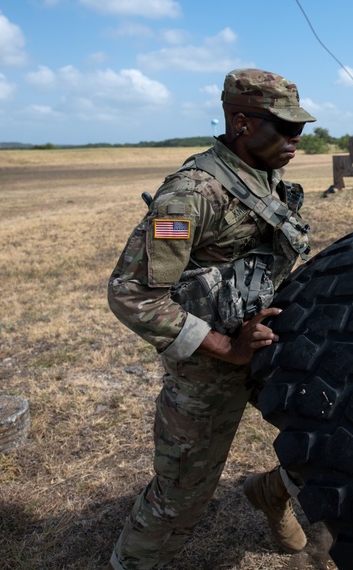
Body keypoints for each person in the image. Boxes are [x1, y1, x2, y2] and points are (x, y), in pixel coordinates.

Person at [107, 68, 316, 569]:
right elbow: (132, 294)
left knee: (331, 444)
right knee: (181, 499)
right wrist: (227, 348)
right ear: (241, 124)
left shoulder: (264, 175)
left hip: (266, 342)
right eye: (284, 129)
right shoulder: (191, 194)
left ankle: (272, 492)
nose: (294, 141)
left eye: (299, 130)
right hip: (209, 367)